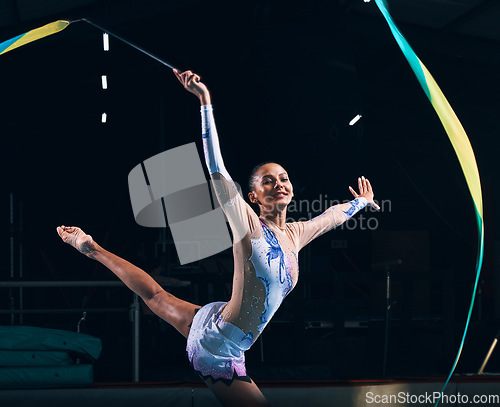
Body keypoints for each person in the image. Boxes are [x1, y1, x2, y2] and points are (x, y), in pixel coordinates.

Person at [57, 69, 380, 407]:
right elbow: (216, 169)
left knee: (155, 296)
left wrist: (361, 202)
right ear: (253, 196)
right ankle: (93, 250)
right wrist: (204, 100)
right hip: (220, 350)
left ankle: (92, 248)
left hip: (213, 320)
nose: (279, 184)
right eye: (267, 181)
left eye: (283, 178)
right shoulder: (248, 225)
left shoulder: (294, 235)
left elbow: (329, 217)